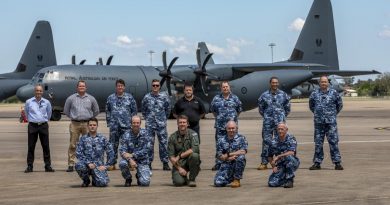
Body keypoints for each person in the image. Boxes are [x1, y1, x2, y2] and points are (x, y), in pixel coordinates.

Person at [64, 80, 99, 172]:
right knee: (73, 144)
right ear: (77, 88)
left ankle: (88, 163)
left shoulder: (91, 98)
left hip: (87, 124)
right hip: (74, 124)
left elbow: (96, 110)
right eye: (80, 86)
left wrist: (91, 119)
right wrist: (73, 117)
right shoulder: (71, 98)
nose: (81, 88)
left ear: (86, 88)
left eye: (83, 86)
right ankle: (71, 164)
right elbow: (66, 111)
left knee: (88, 144)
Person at [309, 76, 344, 170]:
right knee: (318, 143)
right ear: (319, 83)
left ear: (328, 83)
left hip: (331, 122)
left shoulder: (334, 93)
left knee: (333, 142)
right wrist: (318, 114)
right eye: (322, 82)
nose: (323, 83)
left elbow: (339, 105)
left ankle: (337, 163)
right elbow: (311, 106)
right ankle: (317, 163)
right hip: (319, 123)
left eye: (325, 82)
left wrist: (332, 114)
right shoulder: (314, 93)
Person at [257, 77, 291, 170]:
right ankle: (264, 162)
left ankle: (279, 161)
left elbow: (287, 108)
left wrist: (281, 116)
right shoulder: (264, 95)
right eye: (273, 83)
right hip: (268, 122)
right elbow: (261, 109)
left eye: (276, 83)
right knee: (266, 142)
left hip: (279, 123)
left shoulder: (283, 95)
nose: (274, 84)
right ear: (270, 83)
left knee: (280, 141)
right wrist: (267, 116)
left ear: (278, 83)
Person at [210, 81, 242, 170]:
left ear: (229, 87)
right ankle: (219, 163)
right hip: (220, 127)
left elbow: (239, 110)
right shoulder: (216, 98)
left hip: (232, 128)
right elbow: (213, 110)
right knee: (219, 145)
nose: (225, 88)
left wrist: (233, 120)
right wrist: (219, 118)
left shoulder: (235, 98)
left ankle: (232, 162)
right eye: (223, 87)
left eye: (227, 87)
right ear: (221, 88)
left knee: (233, 144)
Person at [106, 79, 137, 170]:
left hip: (126, 126)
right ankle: (112, 163)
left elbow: (134, 111)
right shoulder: (110, 97)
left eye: (121, 86)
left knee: (128, 145)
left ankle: (129, 163)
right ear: (116, 87)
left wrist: (132, 123)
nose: (120, 87)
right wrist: (109, 122)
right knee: (112, 145)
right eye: (118, 86)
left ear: (124, 87)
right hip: (114, 126)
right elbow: (107, 110)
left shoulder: (129, 97)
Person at [141, 79, 171, 171]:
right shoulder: (147, 97)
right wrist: (148, 118)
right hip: (150, 125)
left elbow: (168, 109)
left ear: (159, 87)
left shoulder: (164, 97)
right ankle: (149, 163)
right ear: (151, 86)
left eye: (157, 85)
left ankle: (165, 163)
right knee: (149, 144)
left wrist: (163, 119)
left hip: (161, 124)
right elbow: (143, 109)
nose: (155, 87)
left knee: (163, 144)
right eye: (153, 85)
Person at [75, 118, 114, 187]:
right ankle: (86, 180)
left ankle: (95, 180)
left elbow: (111, 152)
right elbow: (78, 153)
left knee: (103, 183)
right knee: (79, 165)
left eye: (94, 125)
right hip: (87, 165)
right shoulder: (83, 139)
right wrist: (88, 163)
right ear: (87, 126)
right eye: (90, 125)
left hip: (98, 166)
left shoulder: (102, 138)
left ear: (97, 126)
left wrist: (106, 166)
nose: (92, 126)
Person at [24, 85, 55, 173]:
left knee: (46, 146)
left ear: (42, 92)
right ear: (34, 91)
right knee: (31, 146)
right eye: (37, 91)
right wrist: (32, 120)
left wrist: (43, 120)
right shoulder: (29, 102)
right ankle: (30, 166)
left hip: (43, 125)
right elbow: (26, 112)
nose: (39, 92)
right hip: (32, 126)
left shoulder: (47, 102)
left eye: (40, 91)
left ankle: (47, 165)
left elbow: (49, 113)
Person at [168, 115, 200, 187]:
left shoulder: (193, 134)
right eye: (180, 122)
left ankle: (192, 179)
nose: (182, 124)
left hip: (190, 161)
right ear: (177, 124)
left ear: (187, 124)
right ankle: (184, 178)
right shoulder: (172, 137)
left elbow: (195, 149)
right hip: (179, 164)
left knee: (195, 156)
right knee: (178, 182)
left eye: (184, 122)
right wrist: (179, 169)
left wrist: (179, 156)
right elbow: (171, 156)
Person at [119, 115, 151, 187]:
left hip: (142, 160)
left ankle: (139, 175)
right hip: (130, 160)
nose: (136, 124)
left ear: (140, 123)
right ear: (131, 123)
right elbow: (122, 150)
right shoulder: (126, 135)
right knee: (122, 164)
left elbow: (147, 150)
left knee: (145, 183)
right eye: (134, 123)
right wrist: (130, 159)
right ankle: (128, 179)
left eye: (137, 123)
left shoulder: (146, 134)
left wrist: (133, 154)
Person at [214, 121, 248, 188]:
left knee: (241, 158)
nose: (231, 130)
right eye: (229, 128)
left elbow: (243, 151)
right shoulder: (221, 140)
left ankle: (236, 179)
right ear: (226, 129)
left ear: (236, 128)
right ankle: (230, 178)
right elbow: (219, 156)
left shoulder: (241, 138)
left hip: (236, 161)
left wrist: (227, 154)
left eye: (233, 128)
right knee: (218, 183)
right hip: (226, 163)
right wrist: (228, 157)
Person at [268, 123, 299, 188]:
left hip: (292, 162)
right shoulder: (273, 141)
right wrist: (273, 166)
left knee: (288, 157)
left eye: (282, 129)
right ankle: (284, 178)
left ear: (286, 130)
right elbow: (269, 156)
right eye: (278, 129)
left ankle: (290, 180)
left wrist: (279, 156)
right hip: (281, 164)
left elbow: (291, 152)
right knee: (272, 183)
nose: (280, 131)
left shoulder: (291, 138)